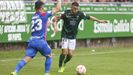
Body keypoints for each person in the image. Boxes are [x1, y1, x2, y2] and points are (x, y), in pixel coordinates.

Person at [54, 1, 108, 73]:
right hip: (65, 35)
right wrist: (55, 26)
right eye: (74, 9)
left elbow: (89, 17)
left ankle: (65, 63)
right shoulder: (66, 13)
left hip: (73, 37)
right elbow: (56, 19)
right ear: (71, 7)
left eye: (77, 9)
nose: (76, 10)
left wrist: (99, 21)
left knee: (70, 55)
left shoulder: (80, 14)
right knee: (64, 52)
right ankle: (60, 66)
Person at [10, 0, 61, 75]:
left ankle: (15, 71)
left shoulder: (34, 16)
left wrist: (50, 23)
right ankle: (47, 73)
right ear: (41, 7)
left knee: (26, 58)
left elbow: (44, 25)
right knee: (49, 55)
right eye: (43, 6)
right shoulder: (44, 14)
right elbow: (57, 9)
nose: (44, 8)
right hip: (40, 41)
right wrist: (59, 1)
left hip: (32, 41)